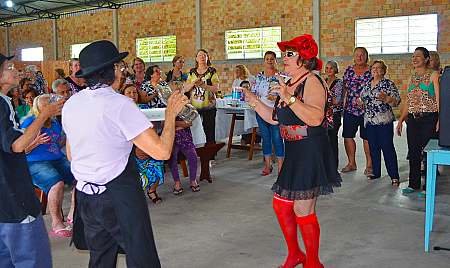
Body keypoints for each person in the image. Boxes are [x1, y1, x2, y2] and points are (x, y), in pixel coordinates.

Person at [62, 40, 188, 267]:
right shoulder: (120, 104)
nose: (123, 71)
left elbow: (71, 155)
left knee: (100, 257)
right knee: (141, 256)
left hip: (86, 196)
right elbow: (161, 152)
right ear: (110, 70)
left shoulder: (72, 103)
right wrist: (170, 115)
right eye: (120, 67)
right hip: (117, 195)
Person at [244, 34, 341, 268]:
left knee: (302, 208)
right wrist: (255, 101)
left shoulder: (313, 81)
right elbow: (276, 119)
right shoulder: (288, 84)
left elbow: (316, 118)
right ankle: (295, 254)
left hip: (311, 150)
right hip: (294, 151)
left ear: (303, 58)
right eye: (284, 54)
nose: (283, 58)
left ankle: (313, 263)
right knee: (281, 205)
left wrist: (289, 98)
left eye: (289, 54)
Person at [0, 53, 63, 267]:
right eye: (9, 67)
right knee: (32, 260)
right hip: (14, 199)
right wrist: (43, 115)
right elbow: (16, 145)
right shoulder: (2, 104)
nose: (15, 69)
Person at [21, 94, 76, 237]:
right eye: (45, 105)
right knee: (56, 183)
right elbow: (21, 149)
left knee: (81, 176)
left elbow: (57, 143)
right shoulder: (30, 122)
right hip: (35, 161)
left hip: (56, 158)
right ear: (37, 108)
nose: (49, 107)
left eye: (50, 104)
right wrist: (36, 142)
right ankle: (57, 222)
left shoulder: (54, 122)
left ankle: (73, 214)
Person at [397, 47, 440, 196]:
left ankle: (428, 187)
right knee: (414, 152)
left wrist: (440, 119)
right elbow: (409, 100)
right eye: (413, 56)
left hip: (429, 118)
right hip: (413, 119)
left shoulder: (434, 75)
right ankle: (413, 184)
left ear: (427, 59)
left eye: (418, 56)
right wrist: (401, 119)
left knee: (428, 153)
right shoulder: (412, 77)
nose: (414, 59)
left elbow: (439, 99)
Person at [122, 84, 165, 203]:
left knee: (157, 161)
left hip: (146, 141)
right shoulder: (120, 111)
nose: (132, 95)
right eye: (129, 93)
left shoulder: (146, 108)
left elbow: (154, 126)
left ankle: (152, 190)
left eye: (134, 93)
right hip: (129, 145)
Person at [359, 60, 401, 185]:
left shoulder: (388, 84)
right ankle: (376, 172)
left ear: (383, 71)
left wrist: (387, 98)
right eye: (373, 68)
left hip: (384, 122)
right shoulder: (367, 84)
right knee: (373, 148)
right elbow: (362, 98)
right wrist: (360, 103)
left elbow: (396, 101)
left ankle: (394, 176)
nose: (375, 70)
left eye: (379, 68)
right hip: (370, 122)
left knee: (387, 148)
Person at [252, 51, 285, 175]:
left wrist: (277, 98)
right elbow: (254, 92)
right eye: (267, 59)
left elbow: (286, 94)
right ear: (264, 61)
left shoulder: (280, 76)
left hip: (276, 112)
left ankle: (281, 167)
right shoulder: (259, 77)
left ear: (275, 61)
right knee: (265, 138)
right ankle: (268, 165)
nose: (270, 61)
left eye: (272, 59)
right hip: (261, 111)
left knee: (277, 138)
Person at [341, 47, 373, 176]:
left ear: (366, 56)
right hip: (350, 109)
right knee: (348, 136)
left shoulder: (372, 71)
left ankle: (369, 165)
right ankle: (351, 163)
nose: (360, 57)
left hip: (367, 111)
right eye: (357, 55)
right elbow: (344, 88)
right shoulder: (349, 71)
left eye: (362, 55)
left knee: (367, 138)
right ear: (354, 57)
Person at [184, 49, 220, 145]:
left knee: (209, 130)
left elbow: (216, 88)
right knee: (194, 129)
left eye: (204, 55)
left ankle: (210, 154)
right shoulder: (192, 72)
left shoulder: (212, 71)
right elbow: (186, 88)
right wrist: (193, 83)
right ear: (196, 58)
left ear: (207, 58)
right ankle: (194, 150)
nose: (202, 57)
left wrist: (203, 85)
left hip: (209, 106)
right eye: (200, 55)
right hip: (194, 106)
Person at [324, 60, 344, 168]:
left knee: (332, 139)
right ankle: (327, 165)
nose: (328, 70)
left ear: (335, 69)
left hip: (334, 114)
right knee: (325, 140)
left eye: (331, 68)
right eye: (327, 68)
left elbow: (337, 100)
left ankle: (334, 166)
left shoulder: (339, 83)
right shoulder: (324, 81)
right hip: (324, 115)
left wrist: (325, 99)